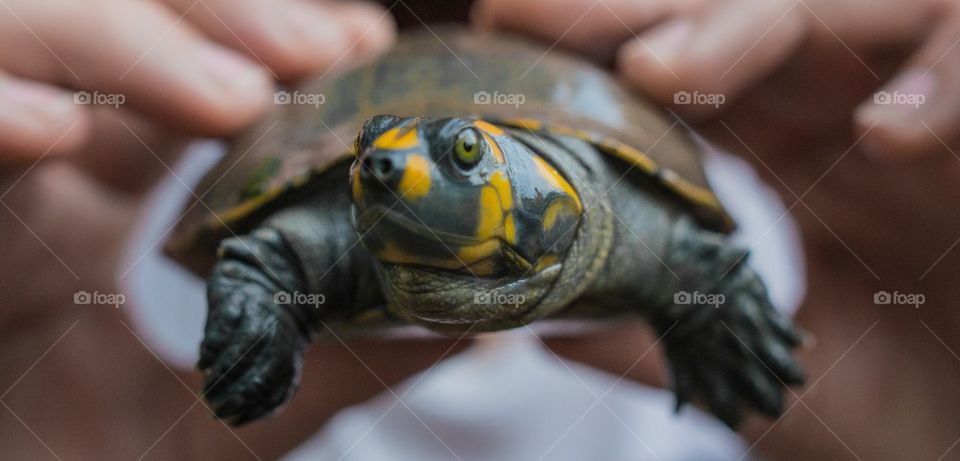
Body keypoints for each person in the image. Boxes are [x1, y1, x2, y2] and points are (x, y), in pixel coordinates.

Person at [1, 0, 958, 459]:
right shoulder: (313, 233)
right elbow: (267, 250)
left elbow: (702, 257)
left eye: (458, 158)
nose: (394, 175)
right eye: (379, 169)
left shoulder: (657, 231)